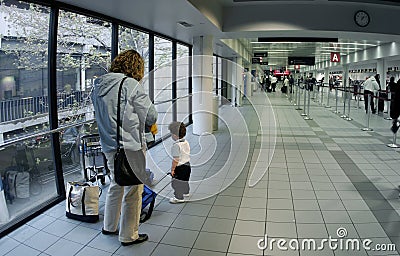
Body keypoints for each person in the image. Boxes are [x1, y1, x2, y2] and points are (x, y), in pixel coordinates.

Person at [91, 50, 157, 246]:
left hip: (109, 147)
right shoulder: (130, 85)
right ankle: (129, 235)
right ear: (136, 67)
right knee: (133, 191)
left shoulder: (98, 85)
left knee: (116, 184)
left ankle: (109, 226)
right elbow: (151, 116)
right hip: (130, 148)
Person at [168, 121, 191, 204]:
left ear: (174, 135)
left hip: (180, 167)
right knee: (185, 180)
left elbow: (176, 159)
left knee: (176, 183)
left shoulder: (176, 146)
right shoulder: (186, 142)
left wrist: (173, 169)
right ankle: (186, 192)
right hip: (187, 165)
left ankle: (178, 197)